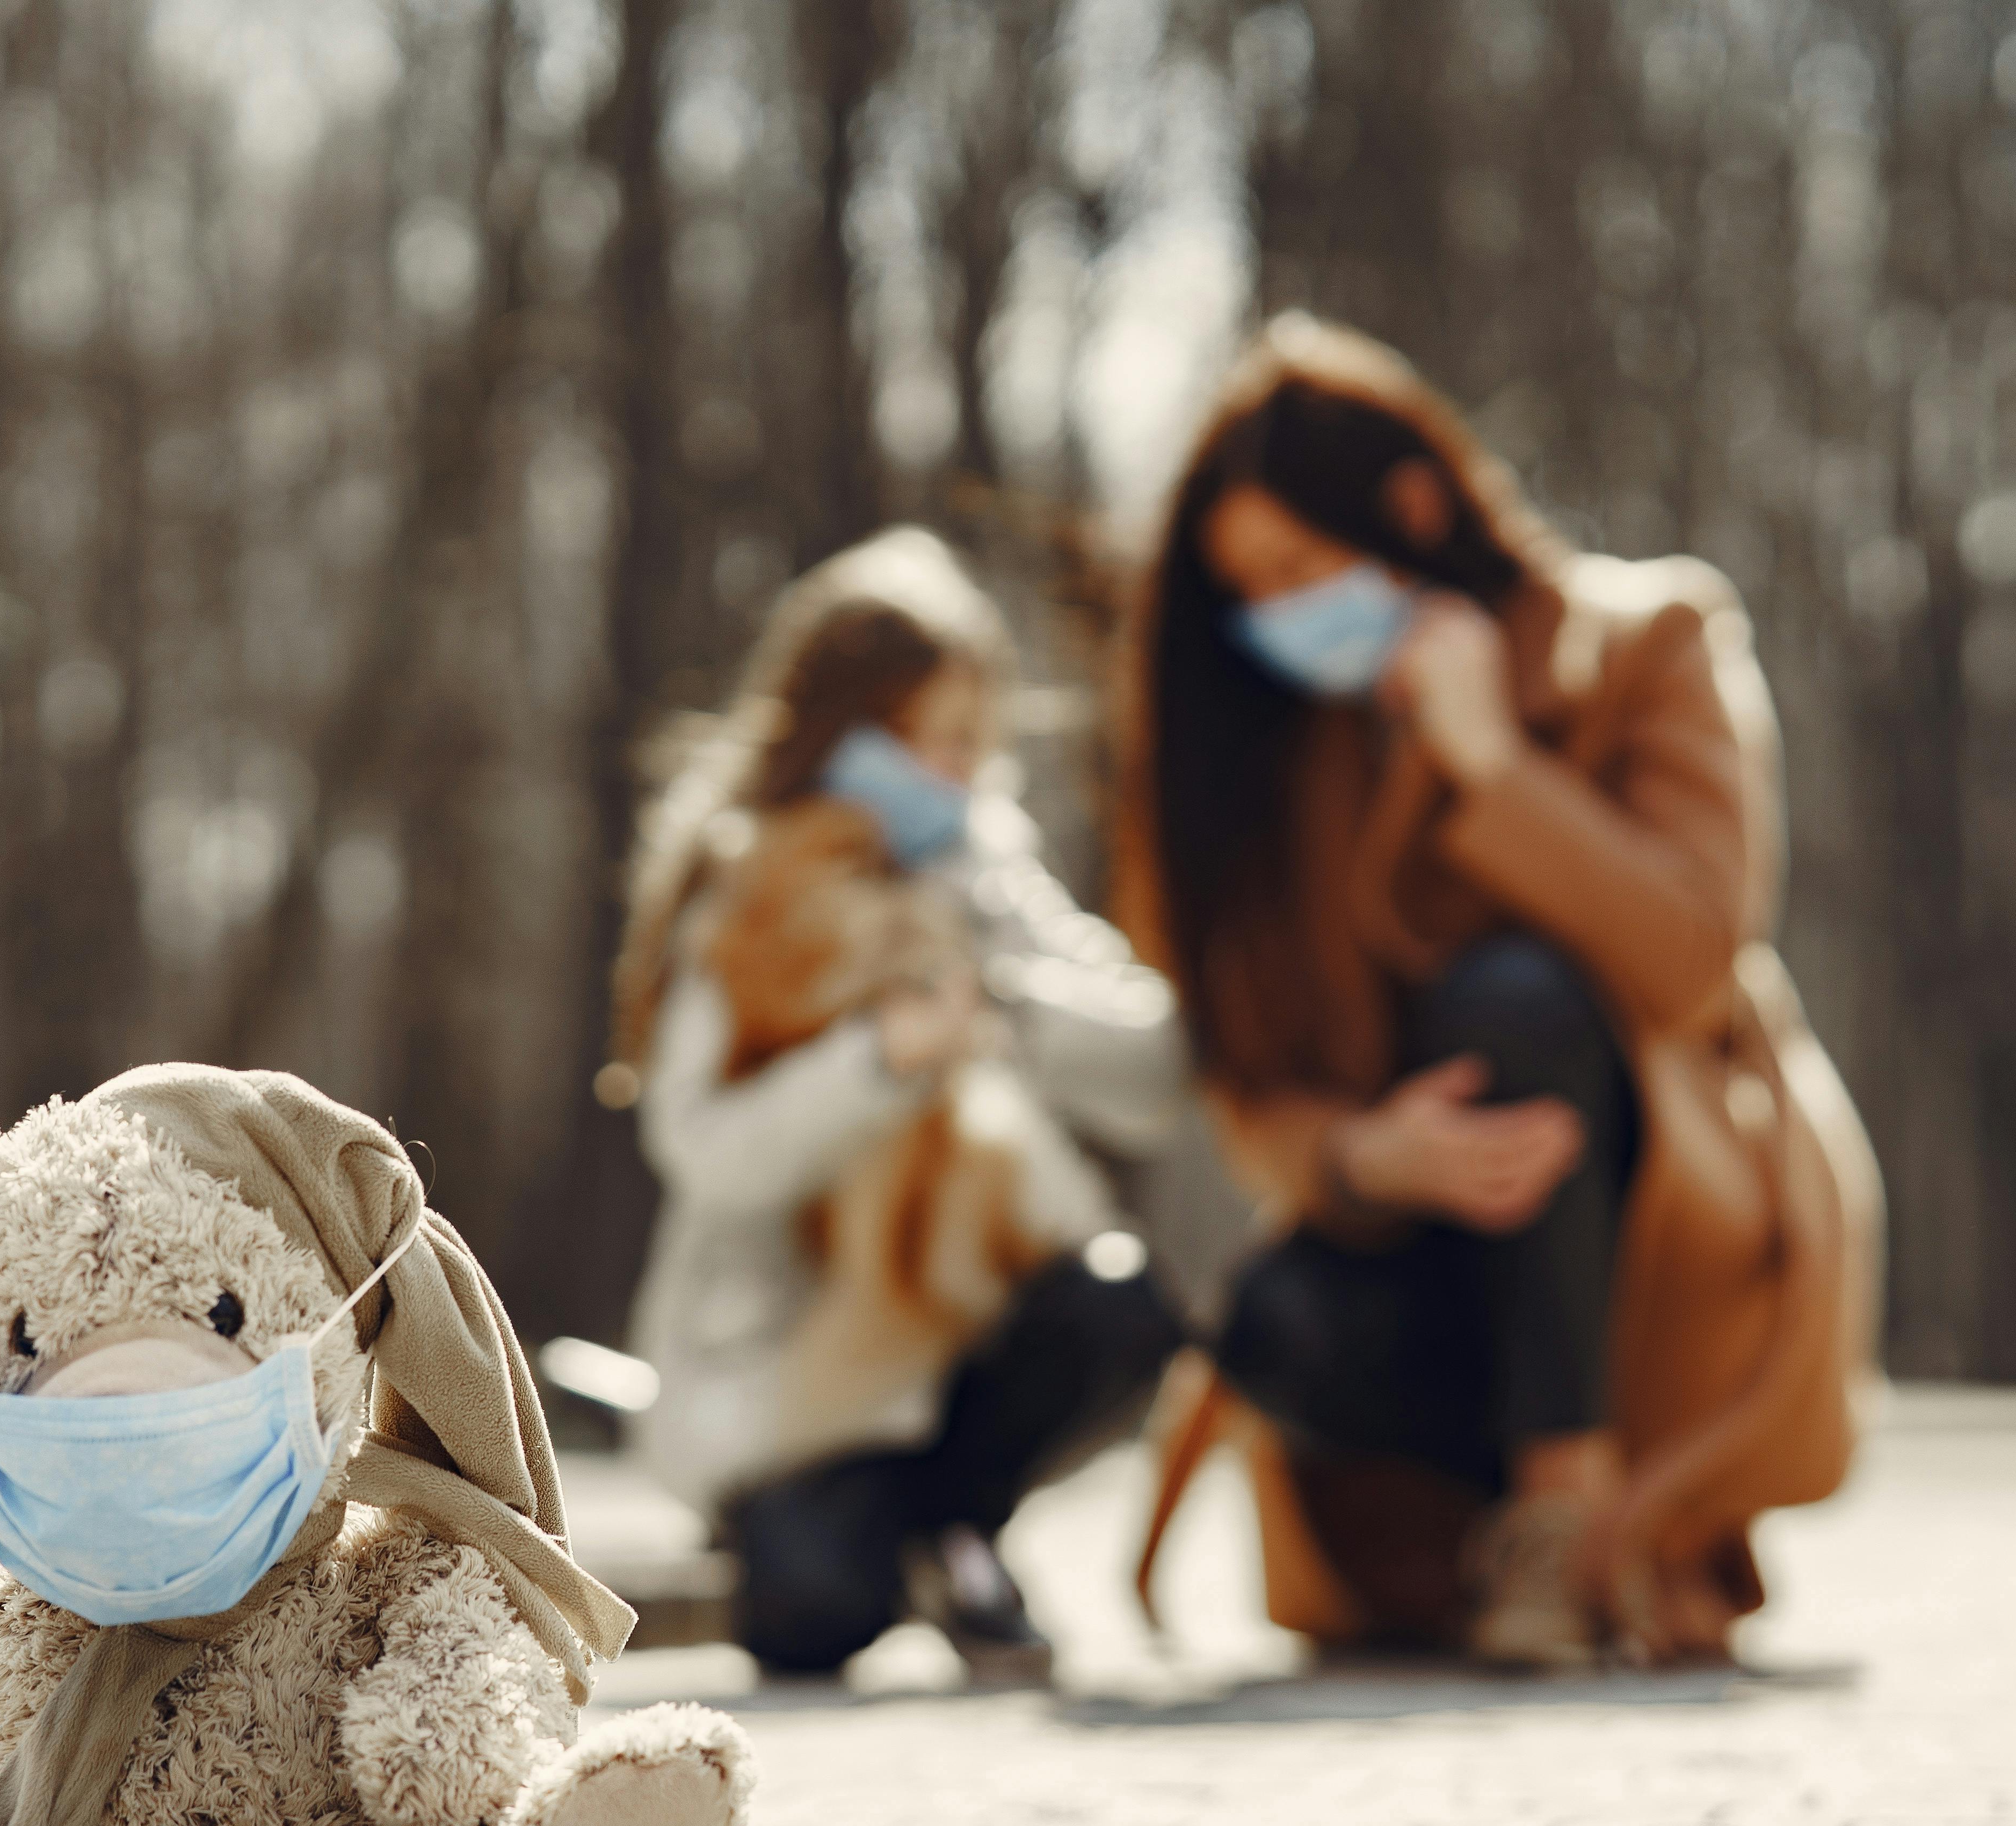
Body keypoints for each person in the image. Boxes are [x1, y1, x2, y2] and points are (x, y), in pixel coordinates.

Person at [1116, 316, 1883, 1669]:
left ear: (1412, 505)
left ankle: (1570, 1500)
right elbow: (1249, 1078)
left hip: (1655, 1244)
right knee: (1278, 1317)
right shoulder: (1276, 757)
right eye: (1253, 593)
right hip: (1416, 1270)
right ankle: (1461, 1551)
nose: (1282, 619)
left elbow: (1700, 954)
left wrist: (1490, 766)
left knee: (1512, 994)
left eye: (1304, 567)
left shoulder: (1653, 635)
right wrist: (1368, 1154)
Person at [605, 527, 1187, 1677]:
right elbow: (702, 1145)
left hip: (966, 1321)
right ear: (834, 727)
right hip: (797, 1362)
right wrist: (876, 1061)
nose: (947, 770)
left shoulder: (985, 870)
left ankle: (957, 1519)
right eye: (914, 737)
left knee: (1125, 1309)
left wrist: (996, 994)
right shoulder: (740, 888)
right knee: (812, 1614)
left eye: (968, 740)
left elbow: (1155, 1065)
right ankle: (883, 1535)